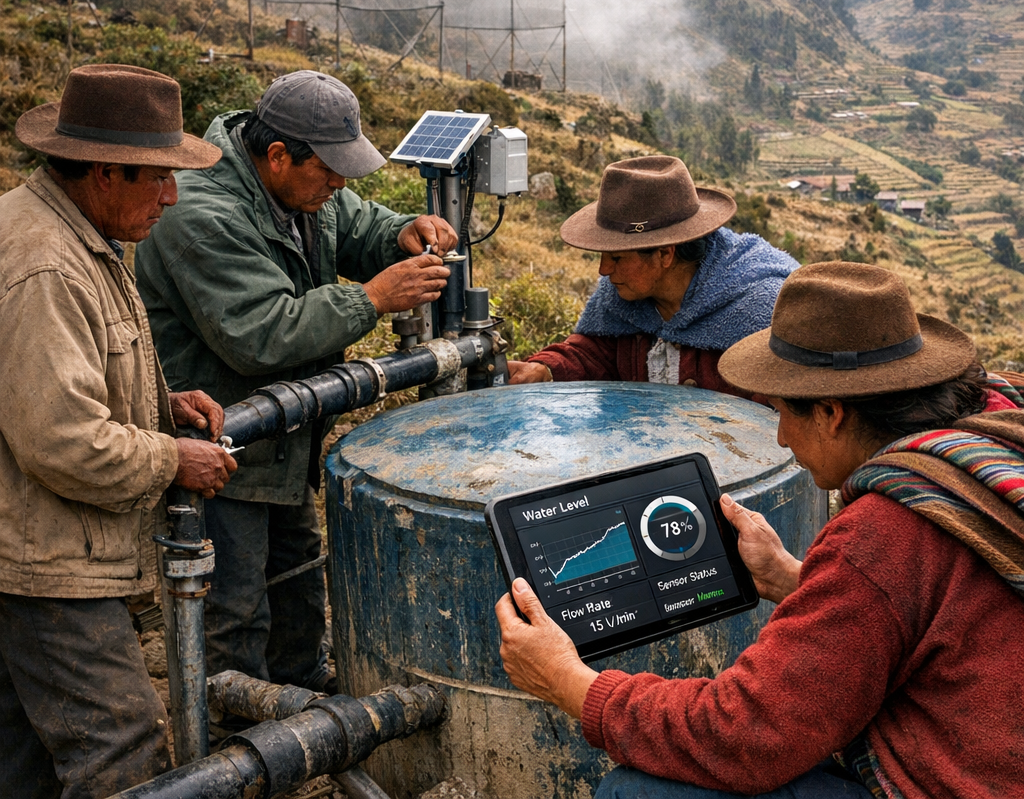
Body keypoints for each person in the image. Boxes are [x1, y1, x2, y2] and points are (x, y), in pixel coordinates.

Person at [497, 262, 1024, 799]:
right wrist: (792, 578)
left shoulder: (885, 533)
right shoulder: (992, 441)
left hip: (949, 781)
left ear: (830, 413)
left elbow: (746, 736)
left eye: (781, 413)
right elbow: (922, 604)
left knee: (632, 792)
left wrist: (568, 681)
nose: (780, 439)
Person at [135, 70, 458, 697]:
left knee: (298, 590)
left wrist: (400, 231)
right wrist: (371, 299)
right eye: (330, 172)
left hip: (284, 441)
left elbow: (355, 223)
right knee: (232, 611)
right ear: (279, 155)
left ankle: (304, 704)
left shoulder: (300, 191)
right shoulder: (200, 214)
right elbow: (261, 332)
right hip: (221, 452)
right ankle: (231, 736)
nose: (339, 185)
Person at [0, 64, 236, 798]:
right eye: (158, 177)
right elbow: (61, 438)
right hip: (44, 563)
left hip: (25, 547)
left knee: (24, 754)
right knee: (122, 744)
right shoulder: (48, 265)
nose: (172, 196)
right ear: (105, 172)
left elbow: (49, 383)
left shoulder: (66, 232)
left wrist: (158, 403)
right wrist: (169, 458)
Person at [508, 155, 798, 394]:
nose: (603, 270)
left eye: (617, 257)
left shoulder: (762, 308)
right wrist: (546, 369)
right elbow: (596, 352)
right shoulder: (619, 297)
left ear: (664, 254)